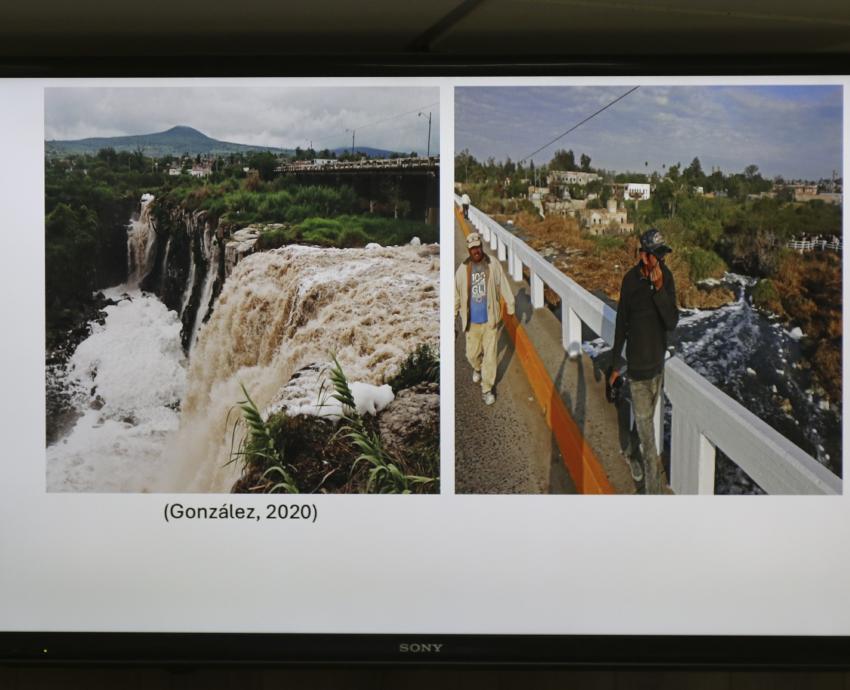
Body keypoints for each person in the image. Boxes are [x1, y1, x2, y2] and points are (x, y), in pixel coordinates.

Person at [608, 228, 679, 494]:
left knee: (644, 422)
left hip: (657, 368)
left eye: (662, 256)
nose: (660, 261)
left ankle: (628, 450)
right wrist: (615, 365)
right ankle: (653, 499)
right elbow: (621, 324)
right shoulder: (629, 281)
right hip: (637, 372)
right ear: (643, 255)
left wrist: (660, 289)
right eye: (655, 255)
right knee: (651, 449)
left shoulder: (666, 278)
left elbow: (671, 322)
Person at [454, 232, 516, 405]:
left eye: (478, 247)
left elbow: (503, 283)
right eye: (472, 248)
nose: (476, 251)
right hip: (472, 323)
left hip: (490, 320)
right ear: (469, 249)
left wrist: (510, 304)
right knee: (471, 354)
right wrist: (452, 320)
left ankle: (487, 388)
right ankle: (477, 367)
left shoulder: (492, 264)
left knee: (490, 356)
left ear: (481, 246)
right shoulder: (462, 270)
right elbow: (456, 297)